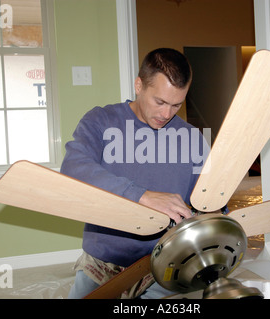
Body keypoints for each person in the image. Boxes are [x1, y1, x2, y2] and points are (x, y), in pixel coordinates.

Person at [61, 48, 209, 299]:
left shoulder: (192, 138)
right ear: (139, 85)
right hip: (102, 262)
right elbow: (73, 169)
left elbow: (206, 201)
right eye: (160, 102)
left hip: (164, 265)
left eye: (176, 105)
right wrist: (141, 196)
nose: (166, 114)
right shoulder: (101, 120)